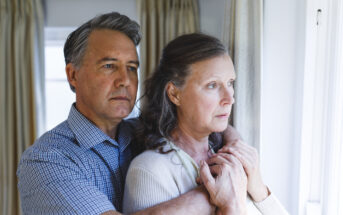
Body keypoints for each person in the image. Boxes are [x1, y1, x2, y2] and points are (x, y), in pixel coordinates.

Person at [17, 12, 241, 215]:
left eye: (132, 68)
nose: (125, 80)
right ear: (73, 75)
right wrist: (213, 193)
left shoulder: (139, 130)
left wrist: (236, 147)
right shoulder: (46, 161)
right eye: (109, 66)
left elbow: (203, 123)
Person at [123, 33, 289, 215]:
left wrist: (258, 188)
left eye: (230, 83)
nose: (229, 98)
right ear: (175, 94)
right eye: (212, 85)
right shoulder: (150, 172)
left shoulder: (230, 154)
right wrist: (231, 207)